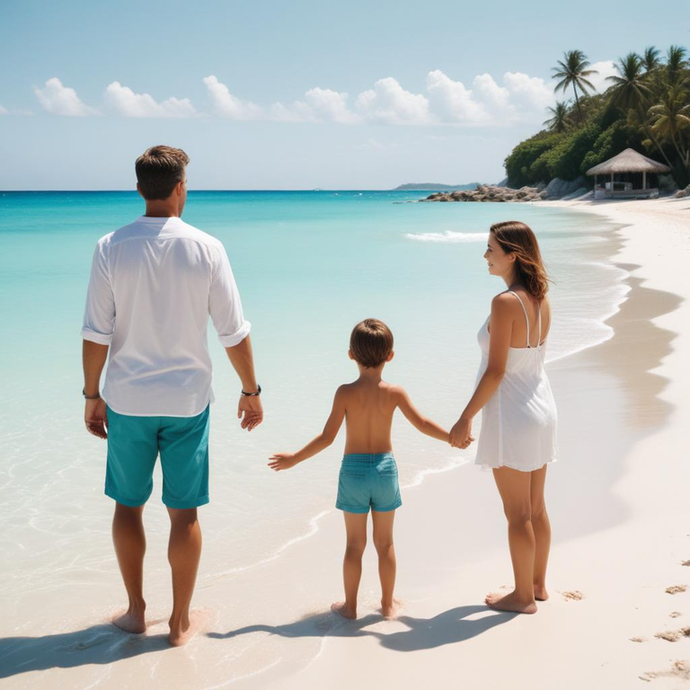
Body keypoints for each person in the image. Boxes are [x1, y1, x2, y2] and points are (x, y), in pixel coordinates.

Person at [81, 145, 263, 646]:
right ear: (182, 186)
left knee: (127, 505)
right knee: (184, 514)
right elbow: (234, 332)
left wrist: (91, 395)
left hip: (127, 399)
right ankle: (180, 622)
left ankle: (137, 611)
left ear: (140, 188)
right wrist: (250, 390)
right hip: (187, 402)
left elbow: (96, 333)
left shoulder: (109, 246)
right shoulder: (208, 247)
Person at [268, 318, 449, 620]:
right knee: (386, 543)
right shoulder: (395, 393)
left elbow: (327, 438)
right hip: (384, 470)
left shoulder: (344, 393)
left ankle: (350, 607)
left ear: (351, 354)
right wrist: (451, 437)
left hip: (352, 472)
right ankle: (388, 606)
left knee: (354, 544)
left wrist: (294, 459)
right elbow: (422, 424)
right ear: (390, 356)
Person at [450, 220, 557, 615]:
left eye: (491, 249)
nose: (485, 255)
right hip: (541, 406)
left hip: (513, 414)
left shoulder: (504, 302)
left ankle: (522, 597)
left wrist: (464, 418)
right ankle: (538, 584)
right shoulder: (541, 297)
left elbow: (496, 372)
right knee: (537, 507)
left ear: (513, 254)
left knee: (518, 515)